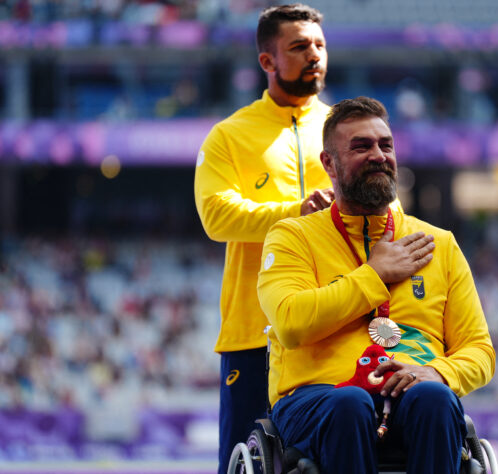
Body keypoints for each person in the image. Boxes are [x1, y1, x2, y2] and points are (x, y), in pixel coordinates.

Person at [257, 97, 496, 474]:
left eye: (385, 145)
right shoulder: (291, 237)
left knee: (435, 398)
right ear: (328, 164)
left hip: (414, 391)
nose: (378, 155)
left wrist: (438, 372)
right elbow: (289, 322)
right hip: (319, 397)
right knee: (350, 403)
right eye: (360, 146)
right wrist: (374, 274)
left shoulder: (439, 243)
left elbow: (480, 350)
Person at [193, 5, 334, 473]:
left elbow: (388, 212)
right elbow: (215, 216)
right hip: (254, 334)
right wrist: (296, 212)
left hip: (333, 328)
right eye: (299, 47)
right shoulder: (228, 136)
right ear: (267, 62)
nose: (314, 55)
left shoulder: (347, 132)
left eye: (319, 45)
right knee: (245, 459)